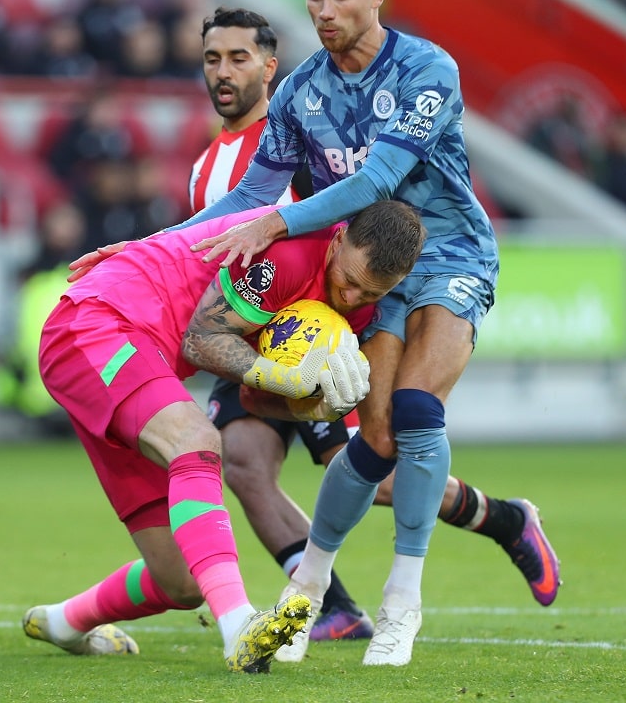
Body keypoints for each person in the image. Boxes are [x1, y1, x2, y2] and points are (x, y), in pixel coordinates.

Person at [69, 0, 560, 667]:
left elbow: (372, 185)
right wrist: (149, 245)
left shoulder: (426, 69)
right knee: (360, 446)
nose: (324, 11)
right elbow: (250, 196)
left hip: (441, 253)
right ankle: (320, 593)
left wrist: (278, 222)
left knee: (410, 425)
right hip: (341, 280)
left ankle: (405, 599)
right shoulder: (302, 92)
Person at [191, 6, 565, 643]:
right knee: (244, 463)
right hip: (260, 330)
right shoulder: (207, 166)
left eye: (240, 59)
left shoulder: (300, 131)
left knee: (378, 473)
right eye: (213, 59)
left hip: (326, 326)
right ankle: (330, 604)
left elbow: (354, 213)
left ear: (270, 67)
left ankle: (505, 520)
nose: (225, 72)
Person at [21, 198, 426, 674]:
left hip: (141, 361)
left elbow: (253, 400)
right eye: (350, 281)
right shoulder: (294, 252)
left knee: (182, 581)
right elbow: (202, 340)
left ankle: (64, 623)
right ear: (338, 239)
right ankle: (239, 628)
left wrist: (308, 406)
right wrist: (289, 380)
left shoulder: (352, 313)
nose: (352, 298)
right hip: (98, 323)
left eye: (371, 293)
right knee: (198, 439)